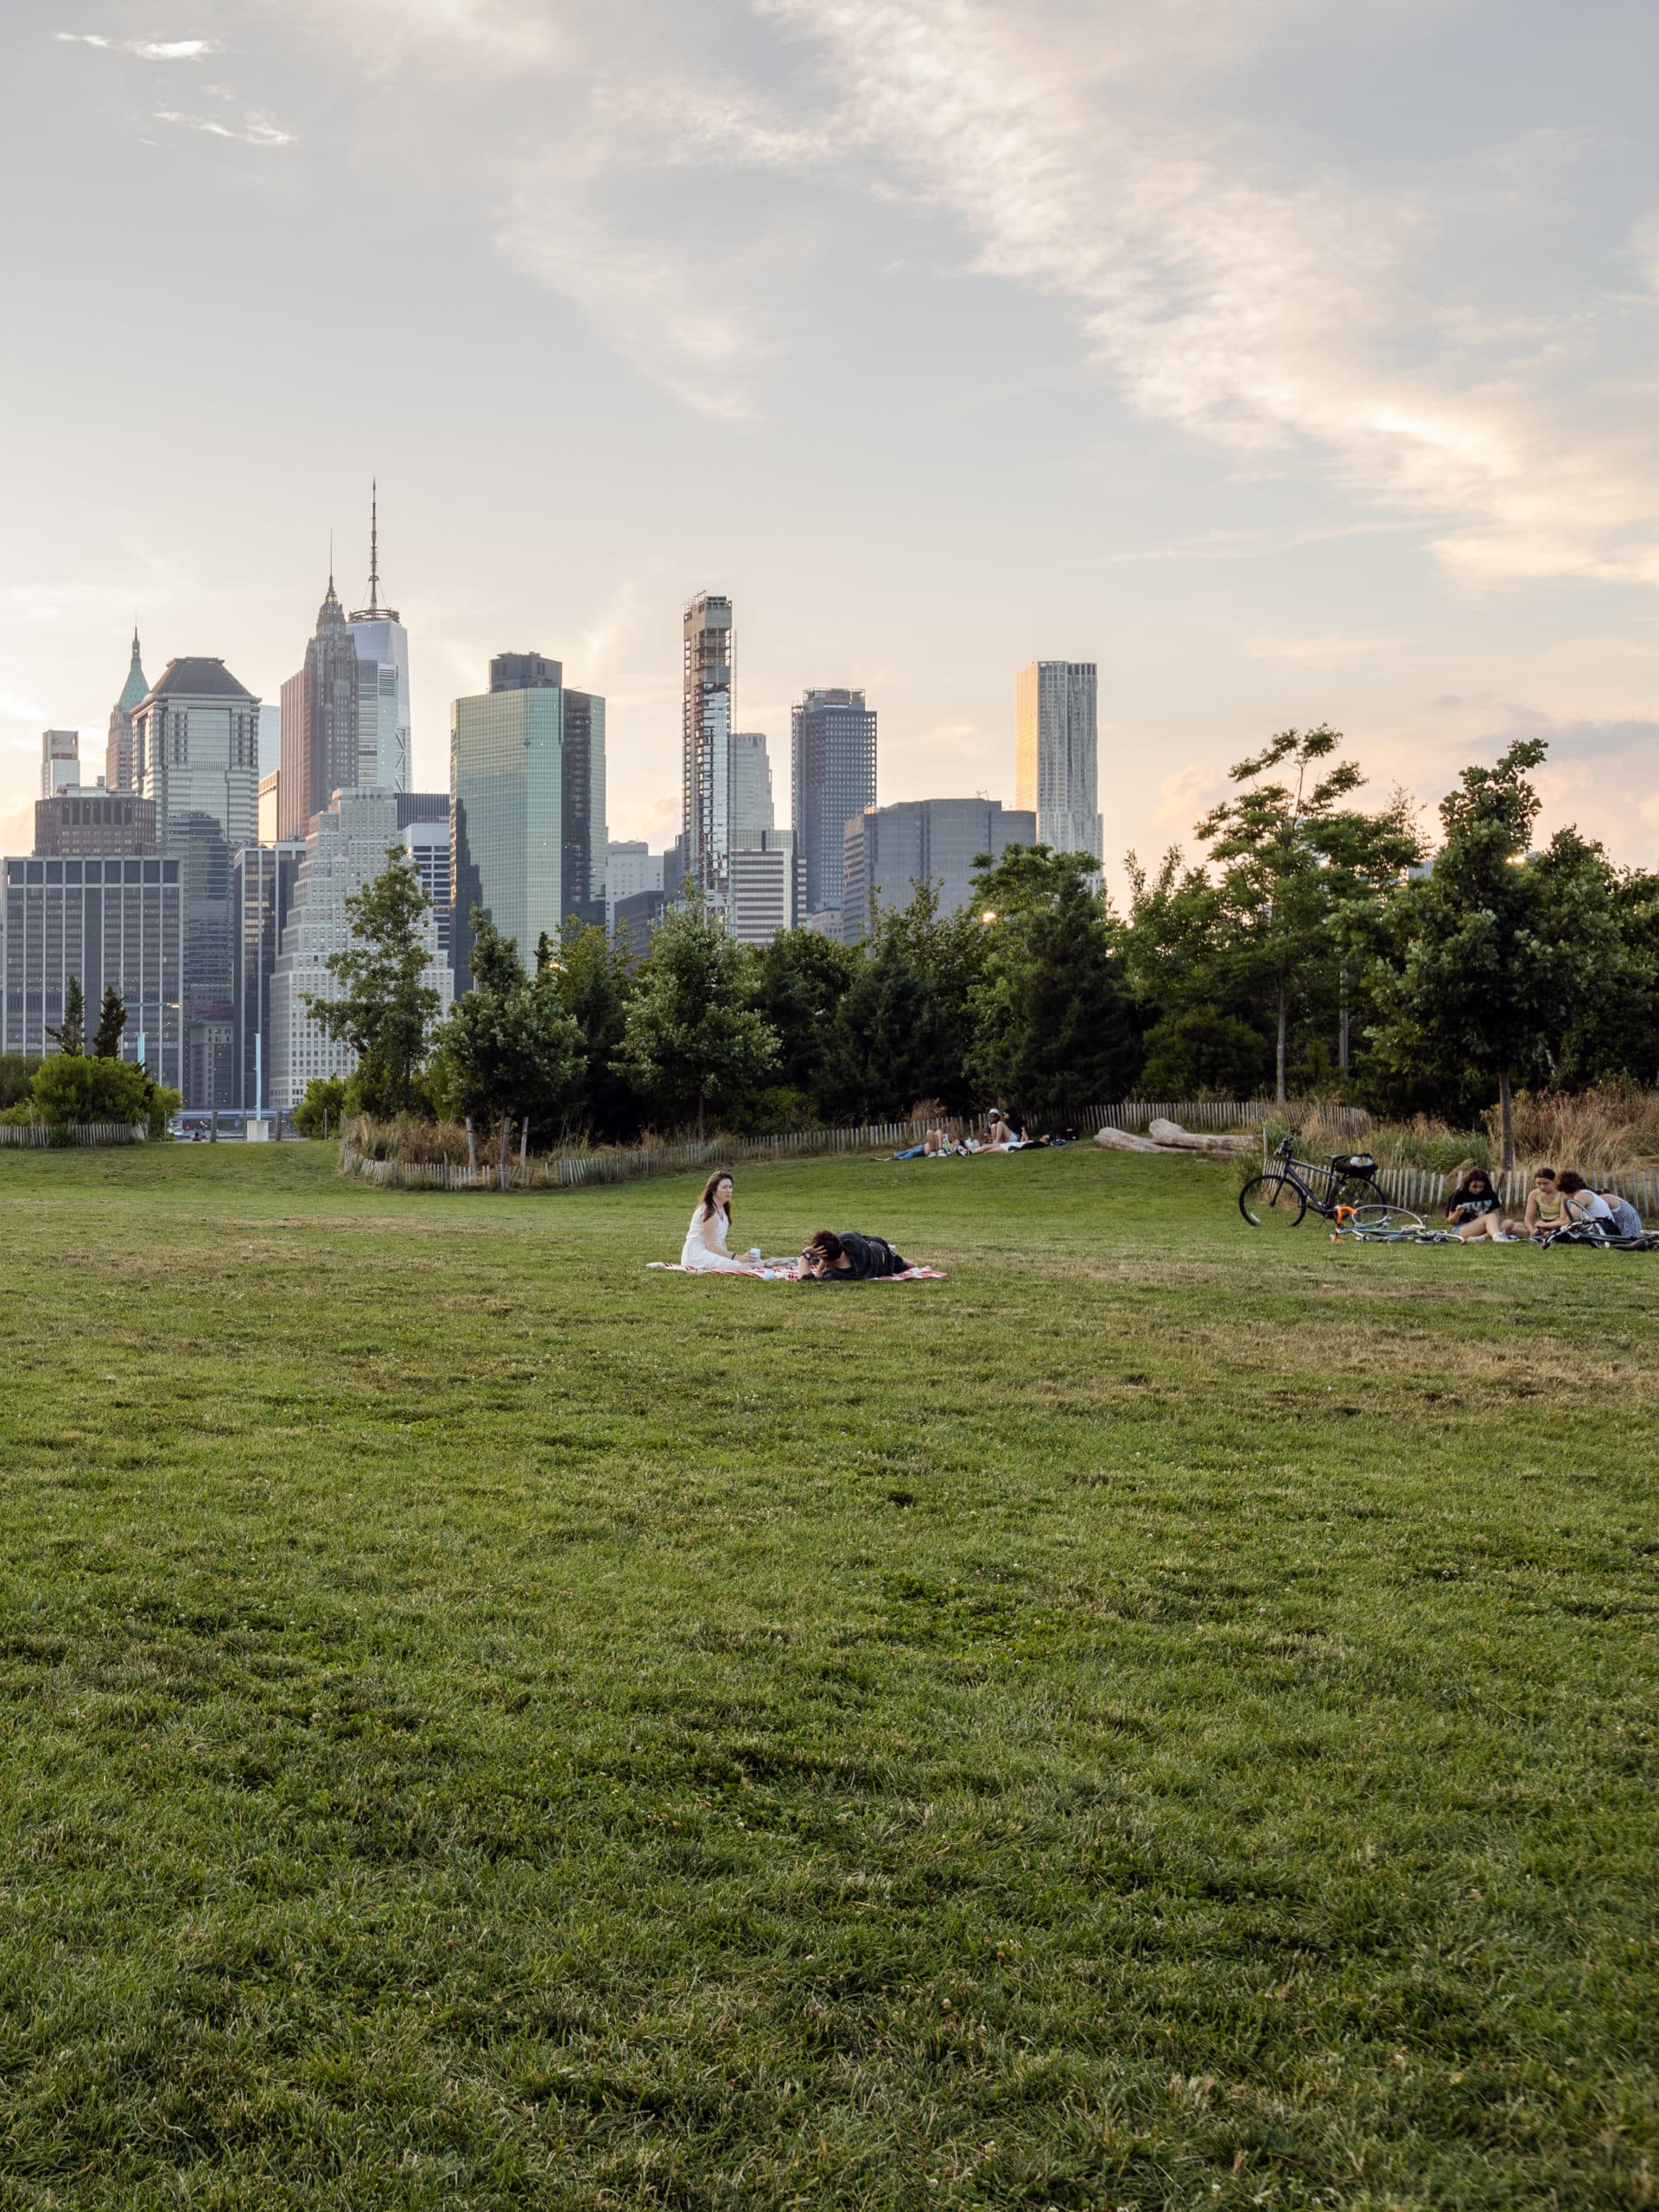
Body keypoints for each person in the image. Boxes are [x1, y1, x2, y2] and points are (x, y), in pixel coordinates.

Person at [679, 1169, 760, 1273]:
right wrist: (736, 1257)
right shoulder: (708, 1211)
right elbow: (711, 1245)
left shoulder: (723, 1209)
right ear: (714, 1190)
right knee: (744, 1268)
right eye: (724, 1187)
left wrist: (732, 1258)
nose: (729, 1190)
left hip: (712, 1252)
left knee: (757, 1263)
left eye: (730, 1187)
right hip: (697, 1255)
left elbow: (721, 1241)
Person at [798, 1227, 911, 1281]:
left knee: (905, 1264)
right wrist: (819, 1270)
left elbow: (804, 1280)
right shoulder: (849, 1238)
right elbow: (829, 1248)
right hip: (879, 1249)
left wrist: (805, 1255)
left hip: (884, 1264)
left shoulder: (837, 1275)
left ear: (824, 1259)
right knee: (908, 1264)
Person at [1446, 1168, 1510, 1242]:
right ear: (1468, 1184)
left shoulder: (1490, 1194)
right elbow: (1450, 1222)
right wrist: (1457, 1213)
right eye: (1475, 1187)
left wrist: (1494, 1225)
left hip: (1484, 1226)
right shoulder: (1459, 1194)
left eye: (1481, 1187)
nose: (1478, 1190)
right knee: (1491, 1217)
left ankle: (1480, 1238)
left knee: (1509, 1223)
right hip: (1462, 1228)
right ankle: (1497, 1237)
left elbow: (1497, 1216)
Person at [1557, 1172, 1616, 1236]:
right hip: (1607, 1227)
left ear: (1564, 1190)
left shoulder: (1581, 1195)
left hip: (1602, 1229)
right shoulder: (1587, 1193)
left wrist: (1547, 1226)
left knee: (1560, 1234)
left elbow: (1571, 1220)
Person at [1521, 1166, 1567, 1241]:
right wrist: (1532, 1231)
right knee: (1514, 1228)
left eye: (1546, 1183)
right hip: (1542, 1225)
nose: (1542, 1187)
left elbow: (1563, 1219)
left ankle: (1548, 1234)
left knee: (1550, 1231)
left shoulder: (1562, 1195)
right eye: (1538, 1183)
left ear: (1554, 1181)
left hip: (1558, 1225)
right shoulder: (1534, 1194)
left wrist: (1544, 1226)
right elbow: (1528, 1219)